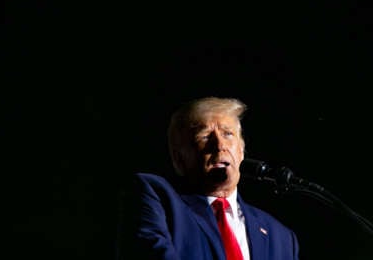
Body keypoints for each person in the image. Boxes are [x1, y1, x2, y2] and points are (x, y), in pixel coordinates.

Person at [115, 96, 300, 260]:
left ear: (241, 151)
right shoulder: (157, 198)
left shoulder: (281, 238)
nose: (219, 145)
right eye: (204, 136)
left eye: (228, 134)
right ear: (179, 158)